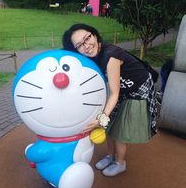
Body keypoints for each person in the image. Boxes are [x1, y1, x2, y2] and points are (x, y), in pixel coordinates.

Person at [62, 24, 157, 177]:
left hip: (138, 88)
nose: (86, 46)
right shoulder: (92, 57)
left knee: (119, 131)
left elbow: (114, 93)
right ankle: (110, 156)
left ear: (94, 35)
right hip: (121, 89)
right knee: (109, 126)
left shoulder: (111, 55)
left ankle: (120, 163)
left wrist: (101, 117)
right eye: (79, 45)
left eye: (87, 38)